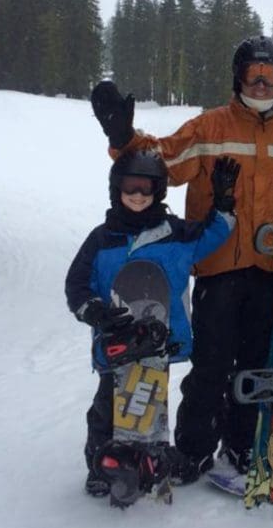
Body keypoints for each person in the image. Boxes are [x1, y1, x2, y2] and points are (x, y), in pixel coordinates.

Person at [89, 36, 273, 484]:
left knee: (255, 365)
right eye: (253, 74)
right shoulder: (210, 127)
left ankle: (244, 444)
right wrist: (123, 137)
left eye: (270, 75)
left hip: (270, 270)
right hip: (218, 268)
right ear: (237, 76)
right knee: (211, 363)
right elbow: (162, 161)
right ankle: (193, 447)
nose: (261, 84)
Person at [65, 149, 240, 497]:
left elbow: (214, 235)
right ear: (117, 189)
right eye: (131, 186)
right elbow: (77, 285)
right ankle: (101, 466)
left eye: (146, 188)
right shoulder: (102, 239)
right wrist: (94, 310)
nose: (138, 195)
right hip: (116, 341)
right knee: (107, 406)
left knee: (151, 400)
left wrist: (222, 204)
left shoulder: (175, 234)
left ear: (158, 191)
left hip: (161, 337)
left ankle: (149, 456)